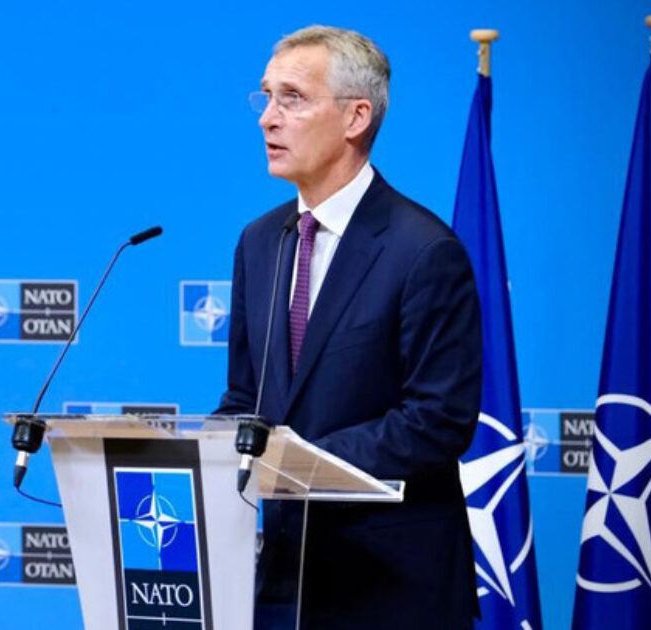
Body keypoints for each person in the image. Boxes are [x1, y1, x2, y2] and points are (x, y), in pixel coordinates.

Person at [216, 26, 482, 629]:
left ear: (356, 117)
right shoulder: (260, 242)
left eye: (292, 98)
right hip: (285, 583)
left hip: (392, 586)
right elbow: (244, 398)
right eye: (265, 97)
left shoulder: (424, 250)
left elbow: (439, 421)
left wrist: (292, 460)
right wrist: (198, 457)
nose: (268, 119)